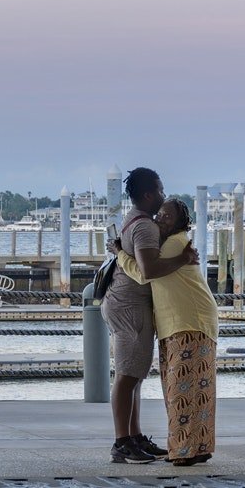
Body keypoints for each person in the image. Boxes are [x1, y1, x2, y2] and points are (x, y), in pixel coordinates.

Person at [101, 167, 196, 464]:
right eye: (161, 190)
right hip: (130, 307)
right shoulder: (145, 228)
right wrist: (182, 259)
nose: (164, 196)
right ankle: (121, 442)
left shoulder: (134, 220)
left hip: (125, 304)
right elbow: (149, 270)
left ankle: (135, 436)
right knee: (127, 376)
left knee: (135, 375)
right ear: (149, 194)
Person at [118, 198, 218, 466]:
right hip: (193, 320)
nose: (160, 219)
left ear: (180, 222)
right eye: (160, 214)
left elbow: (144, 273)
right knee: (200, 389)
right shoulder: (178, 243)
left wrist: (119, 253)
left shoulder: (173, 244)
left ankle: (184, 450)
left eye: (168, 217)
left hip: (185, 322)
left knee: (181, 388)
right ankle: (200, 446)